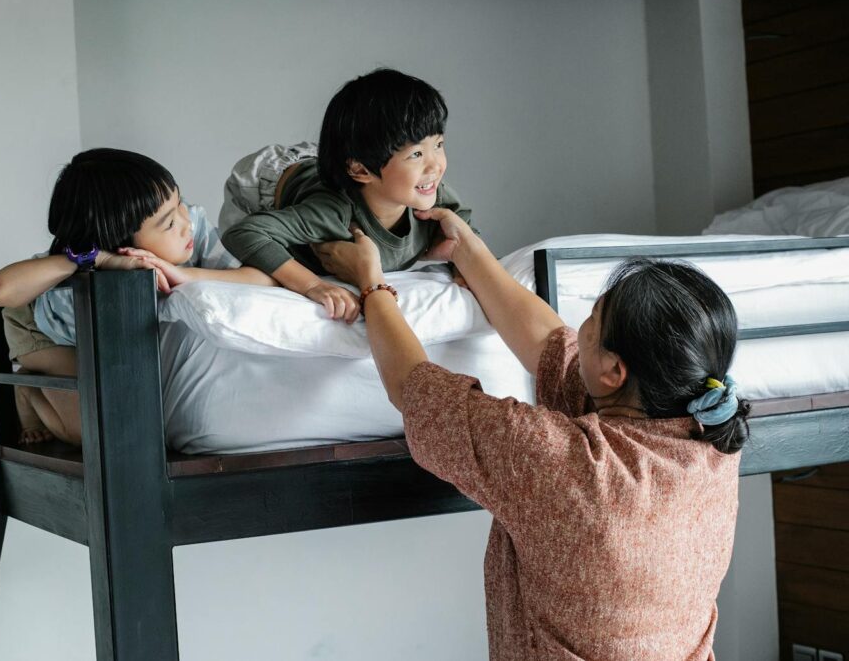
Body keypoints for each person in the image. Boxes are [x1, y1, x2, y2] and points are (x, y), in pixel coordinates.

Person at [313, 210, 750, 660]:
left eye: (593, 320)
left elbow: (413, 389)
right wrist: (467, 250)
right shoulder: (710, 441)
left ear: (615, 371)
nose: (581, 330)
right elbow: (552, 347)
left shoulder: (559, 463)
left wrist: (371, 283)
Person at [0, 148, 275, 445]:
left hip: (85, 328)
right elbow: (1, 292)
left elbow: (261, 279)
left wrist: (183, 274)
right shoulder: (83, 270)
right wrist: (95, 259)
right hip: (49, 330)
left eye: (180, 204)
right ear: (118, 242)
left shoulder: (193, 229)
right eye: (170, 223)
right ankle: (26, 387)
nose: (186, 223)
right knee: (86, 433)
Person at [220, 68, 477, 324]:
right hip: (265, 182)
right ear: (362, 170)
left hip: (342, 165)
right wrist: (312, 285)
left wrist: (462, 268)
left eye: (438, 145)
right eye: (416, 155)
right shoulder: (332, 212)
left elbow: (464, 231)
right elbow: (244, 233)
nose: (435, 166)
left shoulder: (432, 195)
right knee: (255, 272)